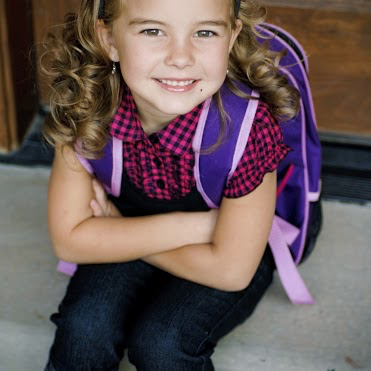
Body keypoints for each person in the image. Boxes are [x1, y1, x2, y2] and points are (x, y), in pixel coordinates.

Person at [41, 0, 299, 369]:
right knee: (83, 329)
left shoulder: (247, 128)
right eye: (152, 31)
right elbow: (69, 239)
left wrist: (114, 227)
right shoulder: (86, 103)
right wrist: (194, 228)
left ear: (231, 37)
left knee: (161, 343)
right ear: (109, 38)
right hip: (189, 233)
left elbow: (231, 269)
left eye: (205, 32)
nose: (181, 57)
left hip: (222, 247)